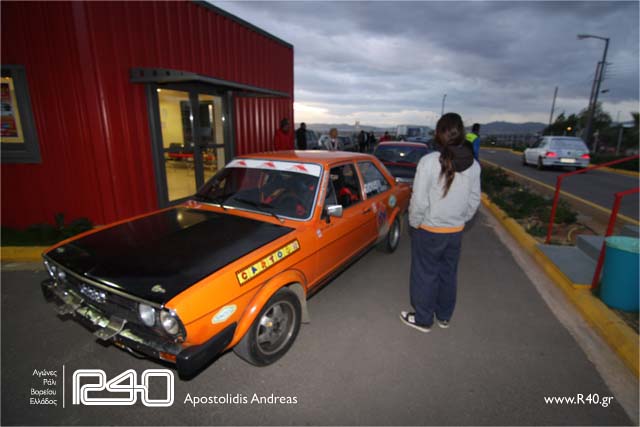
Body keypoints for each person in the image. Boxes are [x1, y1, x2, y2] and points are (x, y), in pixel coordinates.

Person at [400, 112, 481, 333]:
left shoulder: (428, 162)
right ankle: (444, 316)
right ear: (461, 133)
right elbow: (474, 200)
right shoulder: (473, 165)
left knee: (425, 275)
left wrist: (415, 223)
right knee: (448, 274)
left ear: (438, 134)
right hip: (455, 232)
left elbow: (419, 200)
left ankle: (423, 319)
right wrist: (460, 219)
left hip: (429, 230)